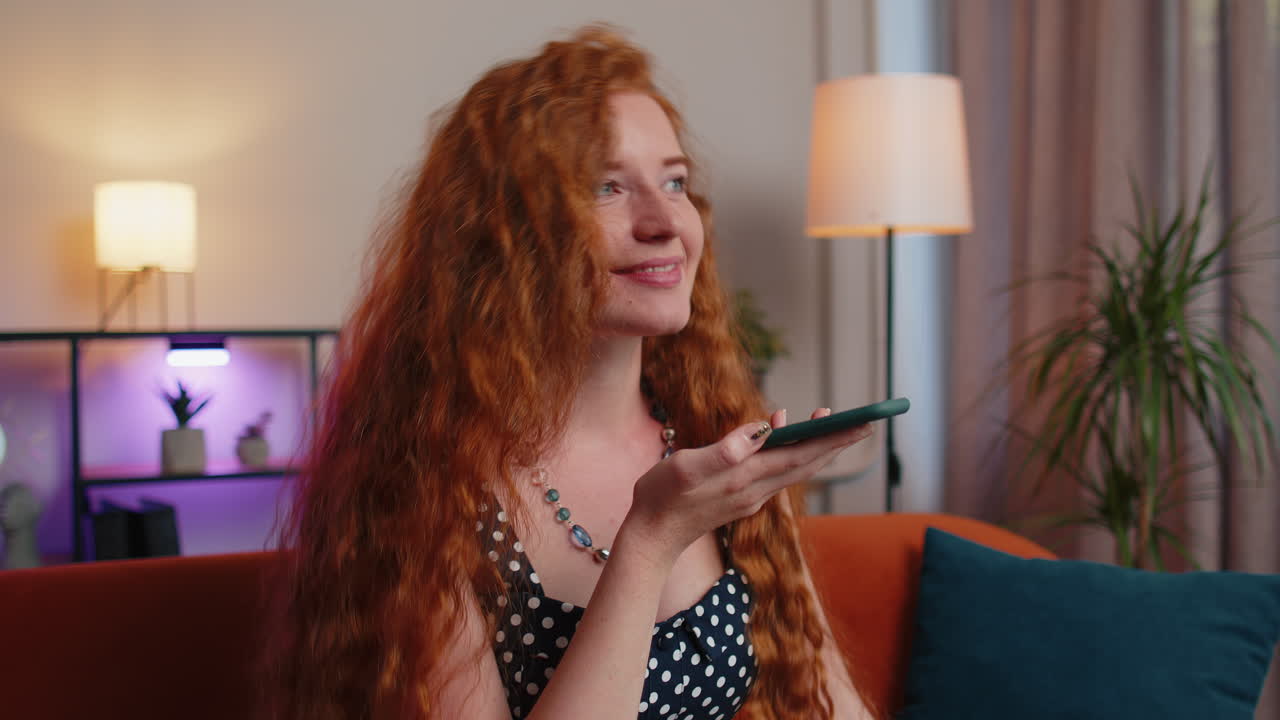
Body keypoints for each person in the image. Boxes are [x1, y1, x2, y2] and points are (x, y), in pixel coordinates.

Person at [260, 25, 877, 720]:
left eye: (674, 182)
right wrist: (650, 540)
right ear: (504, 235)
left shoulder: (716, 434)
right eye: (605, 188)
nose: (664, 221)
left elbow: (831, 702)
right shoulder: (427, 492)